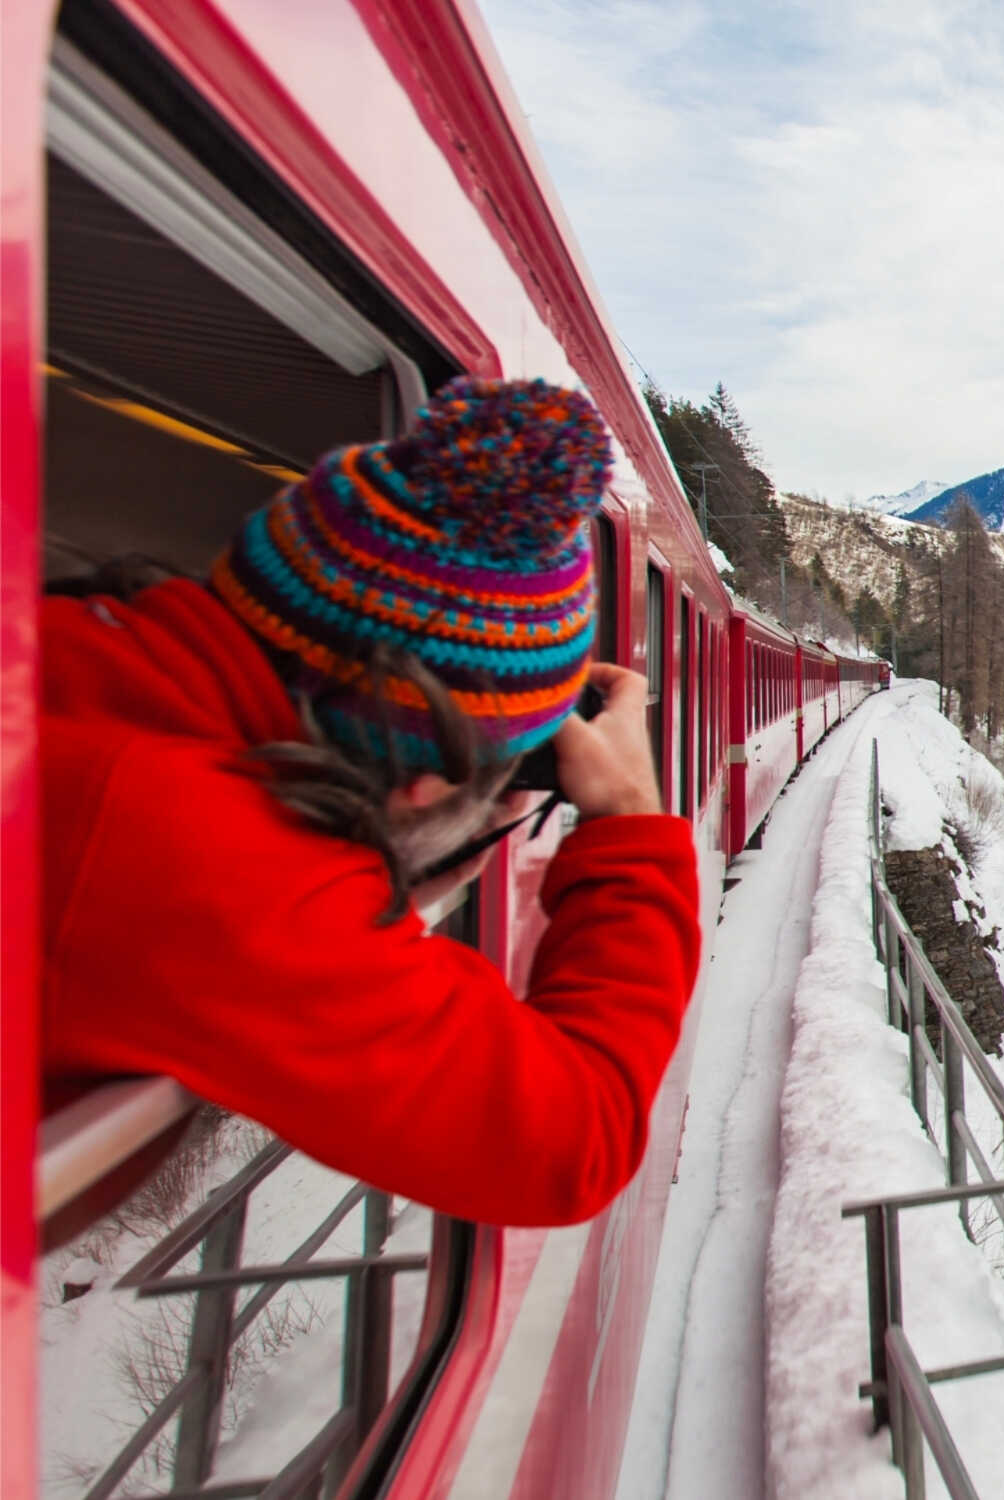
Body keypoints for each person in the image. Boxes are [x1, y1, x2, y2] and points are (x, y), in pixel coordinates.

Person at [40, 377, 696, 1228]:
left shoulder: (74, 655)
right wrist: (631, 824)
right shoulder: (215, 866)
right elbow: (575, 1143)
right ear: (425, 783)